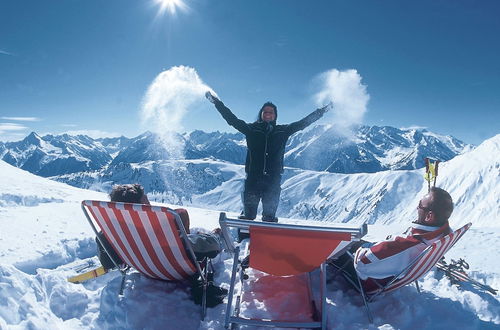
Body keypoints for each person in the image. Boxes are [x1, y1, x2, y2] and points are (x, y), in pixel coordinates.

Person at [206, 91, 331, 222]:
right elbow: (232, 119)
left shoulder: (283, 131)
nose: (268, 114)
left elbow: (303, 123)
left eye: (271, 112)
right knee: (247, 217)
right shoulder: (251, 129)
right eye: (265, 112)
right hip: (253, 180)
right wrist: (217, 102)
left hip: (272, 182)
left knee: (269, 218)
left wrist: (322, 111)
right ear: (261, 114)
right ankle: (243, 240)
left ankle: (266, 241)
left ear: (275, 115)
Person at [332, 187, 454, 292]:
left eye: (420, 205)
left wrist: (362, 248)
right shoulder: (442, 234)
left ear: (429, 216)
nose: (417, 208)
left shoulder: (408, 244)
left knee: (337, 247)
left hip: (370, 282)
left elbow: (362, 263)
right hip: (394, 268)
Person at [96, 184, 221, 270]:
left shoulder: (115, 232)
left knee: (180, 213)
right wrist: (214, 236)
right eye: (144, 198)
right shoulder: (161, 234)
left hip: (142, 264)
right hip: (172, 267)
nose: (148, 200)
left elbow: (107, 263)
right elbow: (211, 245)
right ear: (142, 205)